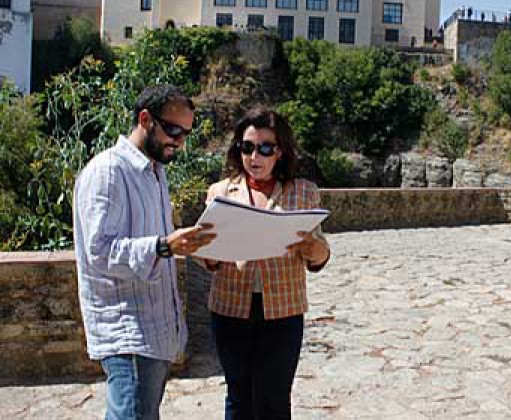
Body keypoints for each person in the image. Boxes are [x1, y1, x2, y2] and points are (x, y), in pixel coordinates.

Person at [74, 84, 217, 420]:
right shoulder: (109, 171)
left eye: (185, 134)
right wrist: (165, 245)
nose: (179, 141)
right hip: (128, 332)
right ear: (145, 119)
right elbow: (100, 251)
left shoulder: (154, 172)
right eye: (173, 130)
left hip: (152, 332)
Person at [203, 107, 331, 419]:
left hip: (284, 309)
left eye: (265, 148)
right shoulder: (220, 193)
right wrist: (208, 250)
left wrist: (313, 247)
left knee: (274, 396)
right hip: (231, 307)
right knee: (239, 394)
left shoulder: (304, 193)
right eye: (247, 147)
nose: (254, 156)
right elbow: (209, 260)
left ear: (280, 152)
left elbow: (320, 257)